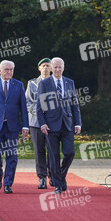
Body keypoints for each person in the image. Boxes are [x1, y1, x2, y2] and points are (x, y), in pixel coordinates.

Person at [0, 60, 29, 194]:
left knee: (12, 156)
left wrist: (25, 126)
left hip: (12, 127)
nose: (9, 72)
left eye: (11, 69)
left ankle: (8, 183)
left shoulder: (18, 85)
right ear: (0, 70)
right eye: (6, 69)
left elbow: (23, 108)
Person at [36, 57, 82, 194]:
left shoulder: (69, 82)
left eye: (59, 67)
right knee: (53, 155)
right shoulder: (44, 83)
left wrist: (78, 123)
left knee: (70, 152)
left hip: (68, 124)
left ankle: (61, 176)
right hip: (51, 125)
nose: (57, 70)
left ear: (63, 67)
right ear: (51, 68)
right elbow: (39, 107)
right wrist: (42, 123)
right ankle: (57, 185)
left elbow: (75, 104)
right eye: (54, 67)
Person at [26, 58, 53, 189]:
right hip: (36, 122)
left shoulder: (55, 83)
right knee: (39, 151)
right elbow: (27, 102)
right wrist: (39, 113)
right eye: (43, 66)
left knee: (52, 150)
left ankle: (52, 175)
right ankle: (42, 177)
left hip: (53, 122)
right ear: (39, 68)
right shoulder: (32, 84)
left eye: (48, 66)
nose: (46, 68)